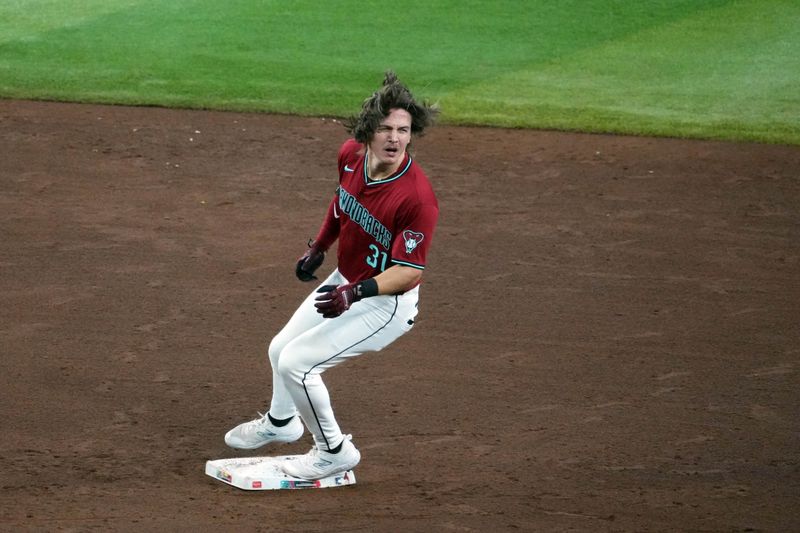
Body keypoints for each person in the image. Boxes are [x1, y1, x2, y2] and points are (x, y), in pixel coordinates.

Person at [224, 72, 440, 480]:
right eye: (385, 129)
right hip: (349, 283)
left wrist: (355, 292)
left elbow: (409, 272)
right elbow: (341, 202)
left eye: (404, 130)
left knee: (297, 364)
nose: (395, 139)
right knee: (279, 349)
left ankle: (333, 451)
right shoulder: (350, 157)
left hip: (385, 303)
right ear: (366, 131)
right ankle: (281, 422)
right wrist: (319, 247)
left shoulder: (416, 197)